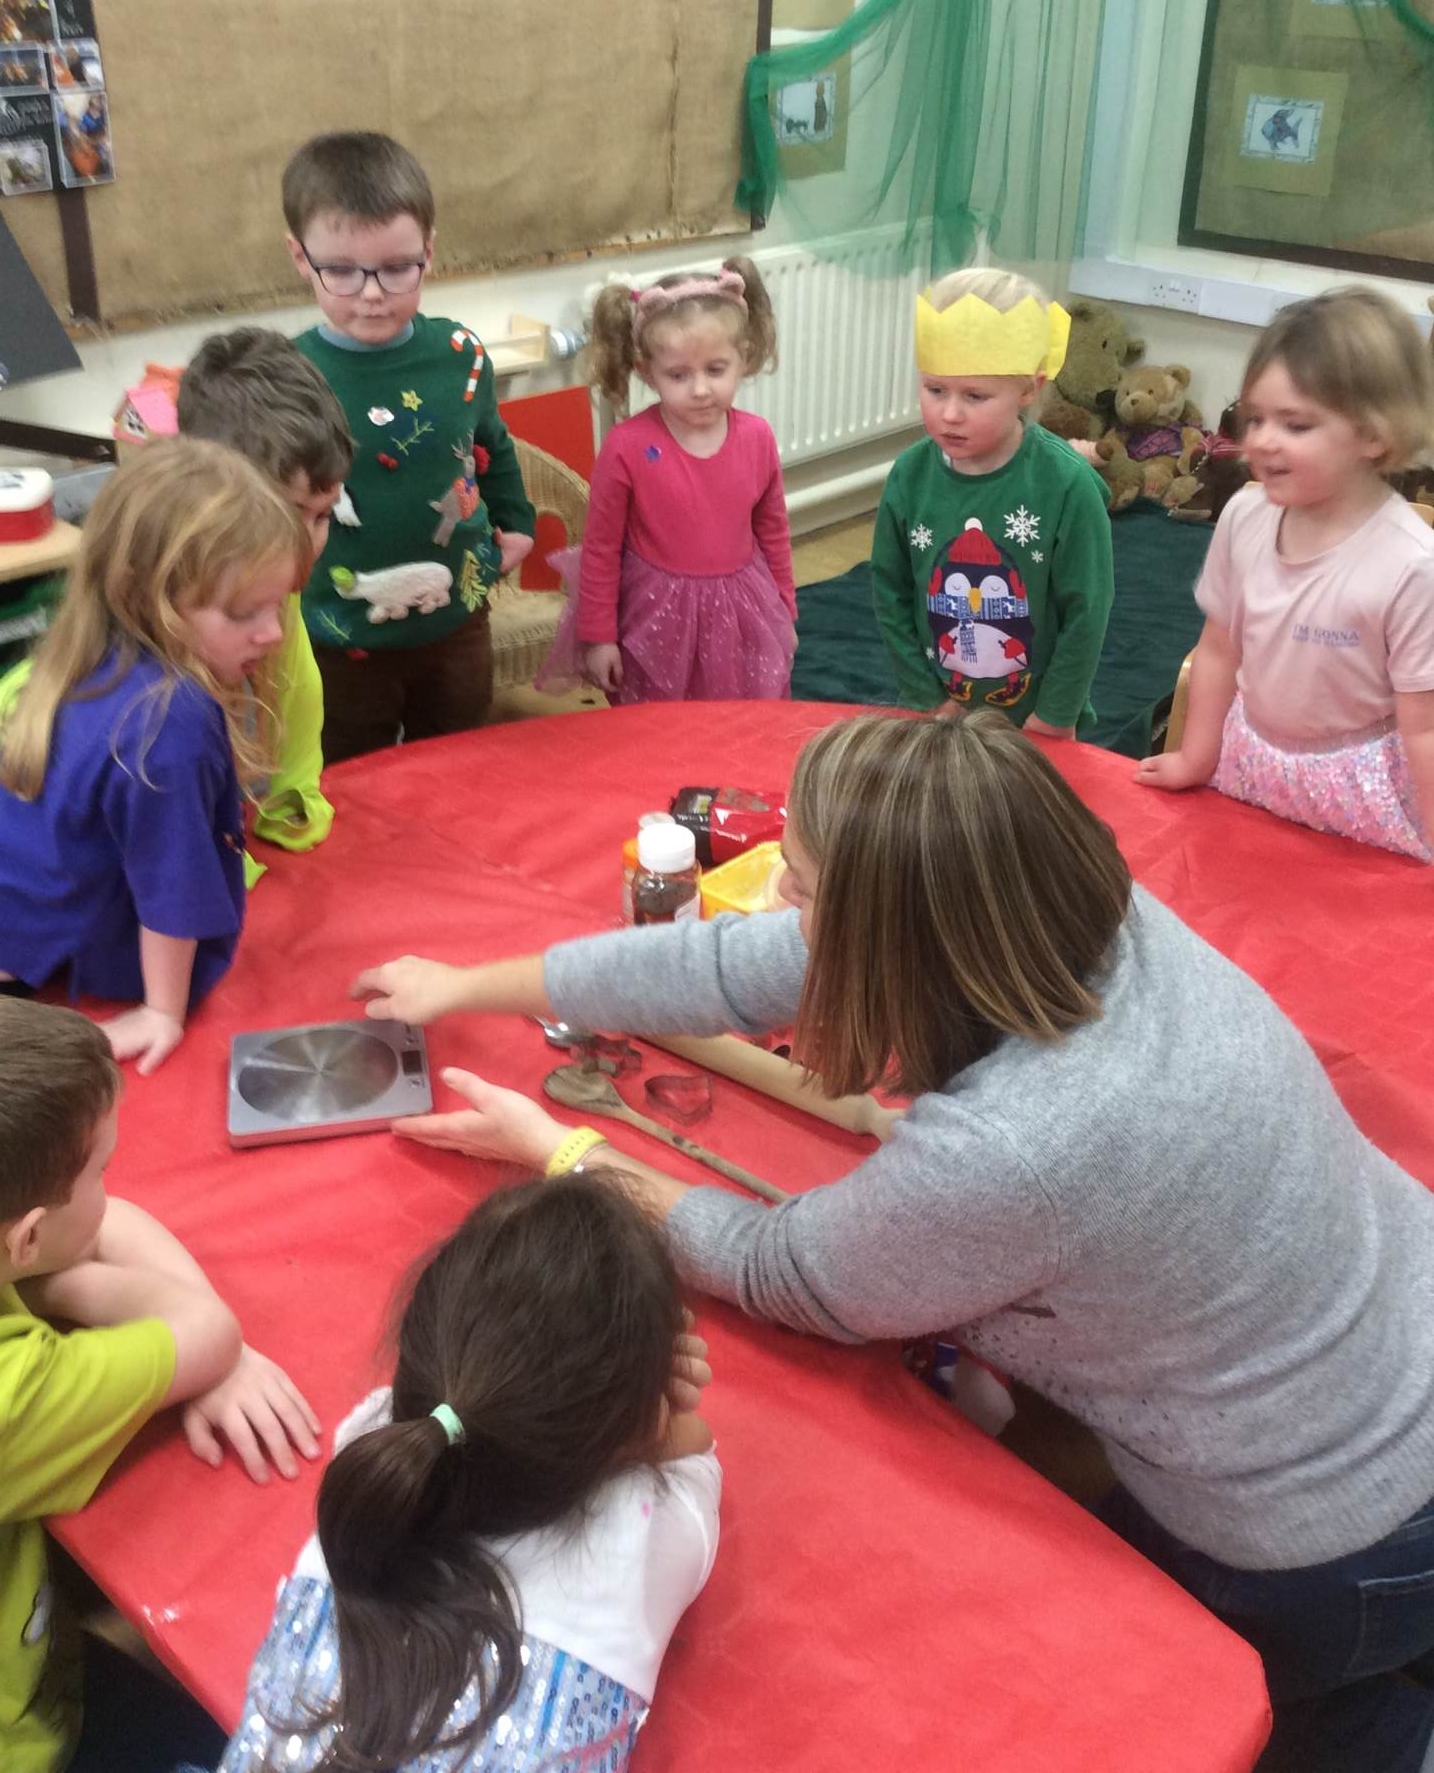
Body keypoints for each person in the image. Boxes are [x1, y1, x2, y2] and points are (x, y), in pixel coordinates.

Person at [356, 711, 1434, 1773]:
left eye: (800, 886)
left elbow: (782, 1270)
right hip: (1395, 1349)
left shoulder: (1019, 1147)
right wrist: (472, 984)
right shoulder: (1058, 914)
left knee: (1267, 1719)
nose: (777, 901)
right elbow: (731, 964)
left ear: (882, 930)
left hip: (1332, 1535)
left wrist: (560, 1152)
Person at [217, 1172, 719, 1773]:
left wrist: (627, 1400)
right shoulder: (647, 1533)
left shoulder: (375, 1442)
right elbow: (696, 1456)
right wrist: (648, 1413)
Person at [0, 998, 320, 1773]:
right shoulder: (15, 1394)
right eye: (102, 1170)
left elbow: (110, 1226)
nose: (111, 1186)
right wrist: (73, 1286)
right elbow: (205, 1332)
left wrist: (48, 1276)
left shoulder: (22, 1244)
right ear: (28, 1237)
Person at [0, 438, 306, 1072]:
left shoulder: (83, 657)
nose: (274, 632)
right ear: (152, 601)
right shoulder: (168, 723)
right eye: (244, 612)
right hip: (45, 948)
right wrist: (163, 1009)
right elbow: (174, 884)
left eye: (277, 604)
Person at [1137, 287, 1434, 860]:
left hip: (1362, 798)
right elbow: (1219, 649)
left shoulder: (1412, 566)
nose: (1262, 441)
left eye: (1295, 425)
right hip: (1248, 765)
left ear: (1374, 435)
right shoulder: (1244, 516)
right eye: (1256, 418)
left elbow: (1425, 727)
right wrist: (1195, 758)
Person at [281, 130, 535, 761]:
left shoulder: (460, 355)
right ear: (300, 258)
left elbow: (490, 444)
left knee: (456, 762)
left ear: (429, 251)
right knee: (353, 774)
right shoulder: (286, 376)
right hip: (338, 633)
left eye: (398, 268)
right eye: (341, 271)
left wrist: (516, 521)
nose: (372, 293)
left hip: (457, 620)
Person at [539, 259, 797, 704]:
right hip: (657, 618)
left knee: (740, 718)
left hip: (742, 611)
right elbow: (601, 549)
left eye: (716, 369)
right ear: (647, 371)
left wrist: (785, 610)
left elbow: (772, 531)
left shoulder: (757, 437)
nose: (700, 389)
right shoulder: (626, 447)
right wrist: (600, 637)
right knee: (661, 728)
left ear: (743, 357)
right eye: (678, 375)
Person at [871, 266, 1113, 735]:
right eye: (935, 389)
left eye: (975, 396)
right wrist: (926, 696)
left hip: (1035, 726)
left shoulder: (1068, 486)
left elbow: (1088, 611)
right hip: (938, 717)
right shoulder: (909, 476)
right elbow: (889, 590)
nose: (950, 413)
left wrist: (1054, 716)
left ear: (1028, 389)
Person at [177, 326, 354, 878]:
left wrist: (294, 788)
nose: (309, 543)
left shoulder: (269, 583)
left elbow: (295, 682)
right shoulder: (176, 599)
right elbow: (159, 757)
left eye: (323, 515)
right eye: (287, 515)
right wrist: (210, 854)